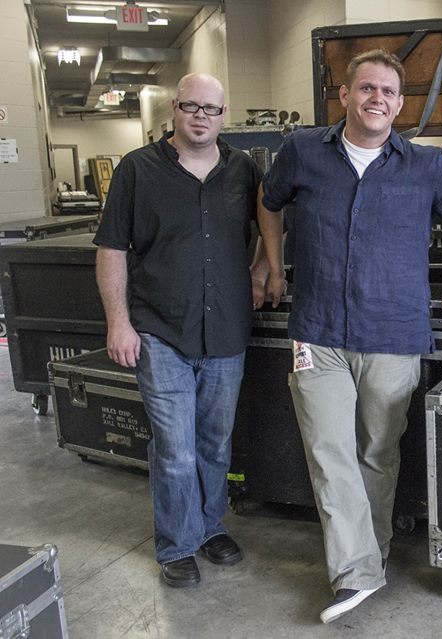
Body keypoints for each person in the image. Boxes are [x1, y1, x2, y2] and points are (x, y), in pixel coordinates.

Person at [256, 48, 442, 623]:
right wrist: (270, 262)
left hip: (393, 332)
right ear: (344, 95)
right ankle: (356, 573)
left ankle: (371, 557)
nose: (378, 100)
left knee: (377, 454)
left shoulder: (424, 164)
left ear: (399, 104)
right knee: (328, 452)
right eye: (367, 89)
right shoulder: (302, 153)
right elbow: (269, 205)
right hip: (318, 332)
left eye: (389, 92)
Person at [94, 73, 261, 588]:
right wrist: (118, 322)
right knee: (175, 448)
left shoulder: (243, 170)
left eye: (211, 109)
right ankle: (176, 544)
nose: (201, 117)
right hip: (160, 332)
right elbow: (111, 249)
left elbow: (266, 228)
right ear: (175, 109)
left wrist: (260, 272)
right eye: (191, 107)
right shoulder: (137, 170)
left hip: (226, 333)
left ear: (222, 112)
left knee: (214, 443)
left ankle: (210, 528)